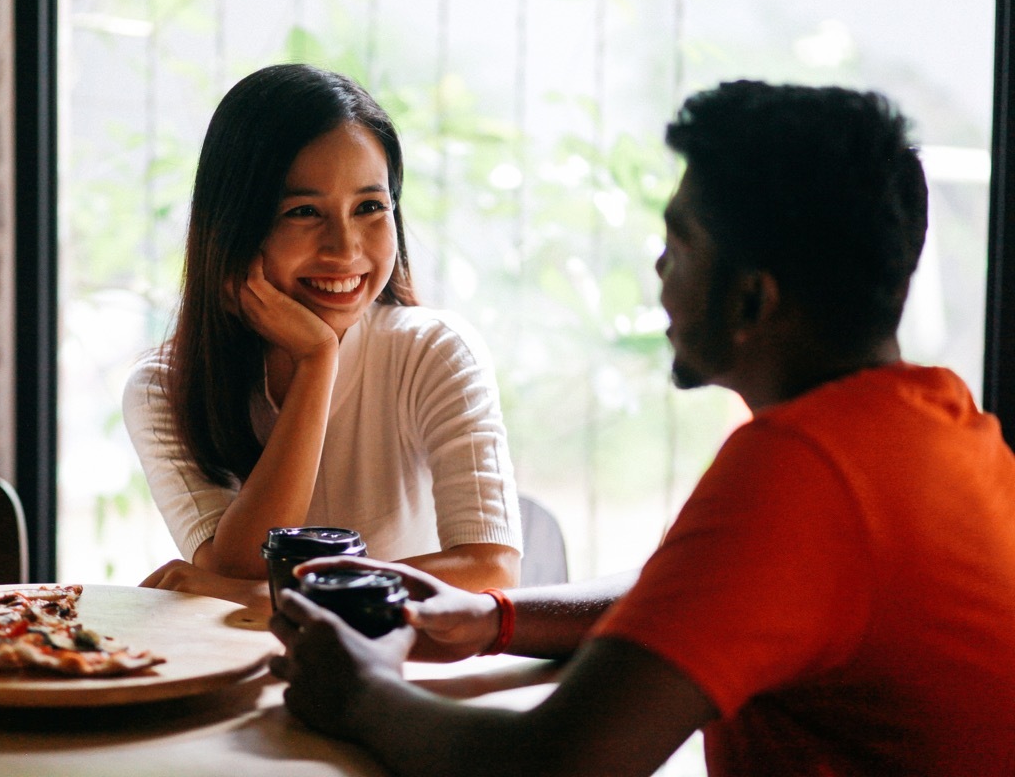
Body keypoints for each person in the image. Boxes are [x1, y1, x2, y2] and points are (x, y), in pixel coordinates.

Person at [267, 81, 1015, 776]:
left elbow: (555, 763)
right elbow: (701, 592)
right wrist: (488, 617)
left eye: (680, 245)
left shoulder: (805, 468)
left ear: (752, 301)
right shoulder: (940, 428)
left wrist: (359, 693)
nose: (658, 269)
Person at [124, 64, 522, 608]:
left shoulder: (435, 352)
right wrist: (316, 361)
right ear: (236, 227)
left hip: (404, 677)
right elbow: (241, 565)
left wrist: (281, 598)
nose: (346, 248)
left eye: (369, 208)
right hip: (242, 674)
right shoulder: (162, 387)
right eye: (304, 211)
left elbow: (491, 568)